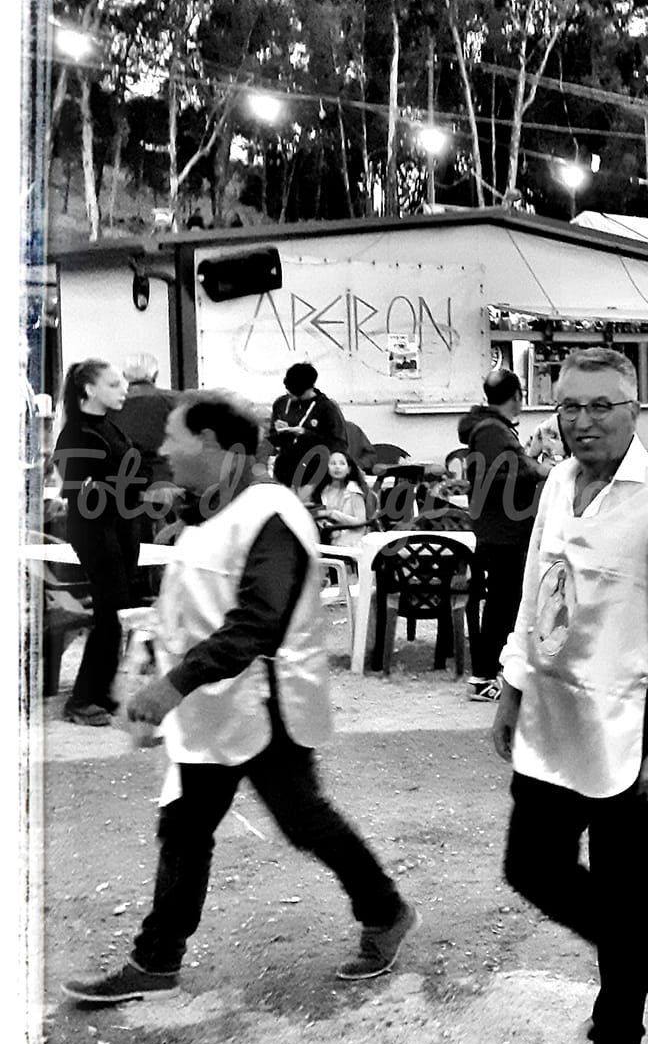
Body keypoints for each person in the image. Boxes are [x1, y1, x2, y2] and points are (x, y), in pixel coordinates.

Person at [63, 391, 416, 1006]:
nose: (164, 451)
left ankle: (385, 911)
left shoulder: (273, 515)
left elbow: (258, 622)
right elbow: (190, 607)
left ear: (219, 449)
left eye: (175, 439)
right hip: (209, 708)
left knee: (303, 821)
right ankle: (156, 960)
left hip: (264, 705)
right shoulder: (210, 512)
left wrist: (173, 683)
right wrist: (151, 667)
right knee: (184, 828)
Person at [490, 347, 648, 1044]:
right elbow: (534, 591)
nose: (582, 422)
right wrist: (512, 684)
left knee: (624, 891)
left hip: (633, 718)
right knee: (530, 866)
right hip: (552, 710)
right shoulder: (557, 481)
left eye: (600, 406)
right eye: (570, 407)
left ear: (634, 409)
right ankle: (641, 956)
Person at [52, 358, 144, 725]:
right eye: (113, 384)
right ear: (89, 389)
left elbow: (133, 474)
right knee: (111, 613)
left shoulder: (109, 428)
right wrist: (124, 484)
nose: (123, 390)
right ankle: (81, 699)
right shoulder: (77, 433)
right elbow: (85, 486)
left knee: (118, 613)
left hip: (119, 526)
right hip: (96, 530)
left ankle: (102, 690)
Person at [460, 369, 552, 702]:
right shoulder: (491, 432)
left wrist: (527, 460)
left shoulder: (493, 430)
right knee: (502, 604)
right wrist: (537, 469)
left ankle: (493, 672)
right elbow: (495, 475)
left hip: (502, 529)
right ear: (516, 395)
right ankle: (483, 676)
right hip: (502, 532)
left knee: (506, 602)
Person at [268, 362, 348, 498]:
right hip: (285, 471)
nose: (291, 395)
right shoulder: (281, 404)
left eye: (295, 392)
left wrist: (304, 433)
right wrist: (278, 433)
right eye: (289, 390)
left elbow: (339, 445)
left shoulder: (326, 408)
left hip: (314, 472)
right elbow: (271, 438)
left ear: (308, 388)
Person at [118, 353, 178, 488]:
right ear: (155, 374)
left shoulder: (107, 405)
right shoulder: (174, 401)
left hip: (121, 483)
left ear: (125, 375)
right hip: (164, 480)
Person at [311, 450, 372, 547]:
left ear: (349, 469)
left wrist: (333, 514)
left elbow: (361, 522)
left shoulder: (354, 491)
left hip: (350, 541)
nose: (337, 467)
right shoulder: (322, 491)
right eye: (333, 463)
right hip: (327, 538)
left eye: (342, 463)